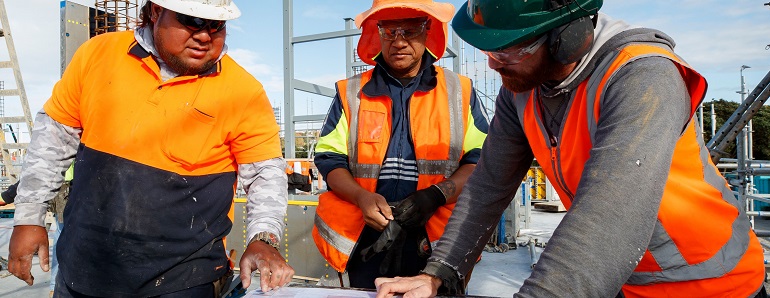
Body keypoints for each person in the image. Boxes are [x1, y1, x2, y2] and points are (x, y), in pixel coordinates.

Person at [375, 0, 767, 297]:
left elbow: (609, 218)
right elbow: (488, 187)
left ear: (568, 37)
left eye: (509, 52)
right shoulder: (522, 90)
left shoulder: (643, 77)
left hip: (708, 283)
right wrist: (439, 274)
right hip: (618, 280)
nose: (494, 65)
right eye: (490, 52)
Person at [7, 0, 294, 296]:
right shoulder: (98, 55)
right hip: (83, 270)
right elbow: (53, 138)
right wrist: (29, 216)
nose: (205, 36)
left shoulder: (243, 92)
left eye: (216, 25)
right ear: (156, 11)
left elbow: (264, 175)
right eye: (190, 20)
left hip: (182, 281)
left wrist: (264, 238)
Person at [312, 0, 489, 290]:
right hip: (367, 240)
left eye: (410, 30)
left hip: (438, 244)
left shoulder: (460, 91)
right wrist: (360, 197)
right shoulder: (351, 93)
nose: (399, 41)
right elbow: (330, 159)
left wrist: (435, 196)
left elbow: (481, 162)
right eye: (389, 31)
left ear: (428, 30)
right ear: (376, 31)